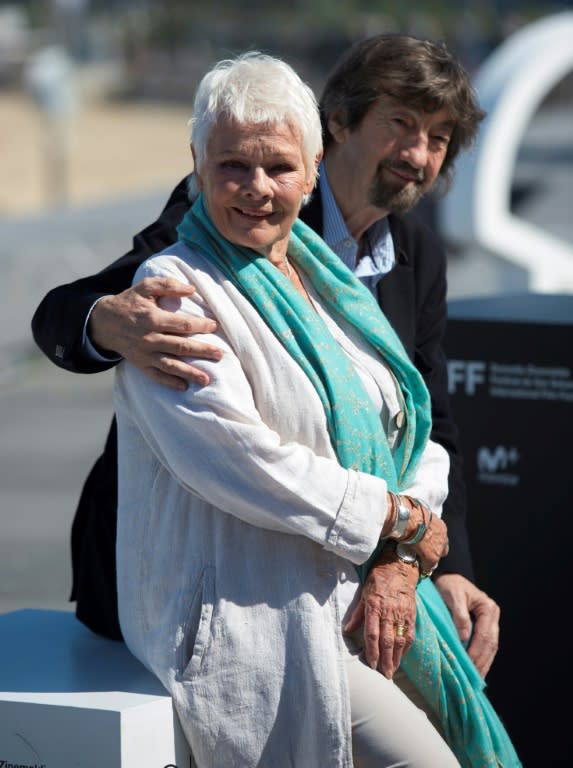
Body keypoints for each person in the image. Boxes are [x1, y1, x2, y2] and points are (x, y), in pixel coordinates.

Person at [31, 31, 500, 683]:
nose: (417, 154)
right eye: (400, 124)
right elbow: (78, 303)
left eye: (438, 138)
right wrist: (104, 321)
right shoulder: (250, 194)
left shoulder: (417, 254)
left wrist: (437, 563)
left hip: (346, 578)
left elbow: (426, 426)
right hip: (203, 592)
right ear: (335, 123)